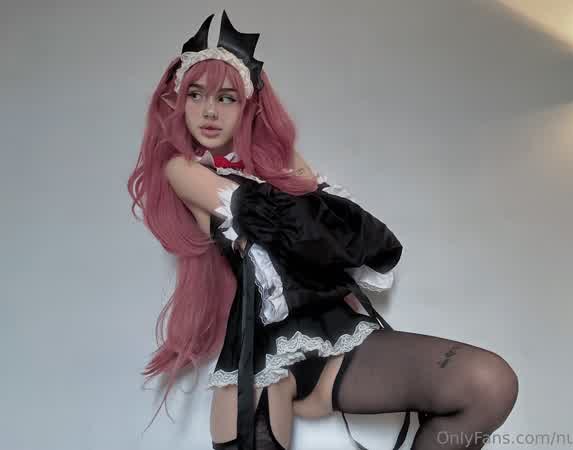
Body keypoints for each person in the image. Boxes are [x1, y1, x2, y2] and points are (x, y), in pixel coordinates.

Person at [127, 10, 519, 450]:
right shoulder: (184, 169)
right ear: (179, 103)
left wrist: (282, 165)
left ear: (250, 106)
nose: (209, 111)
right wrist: (306, 204)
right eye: (196, 95)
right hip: (263, 357)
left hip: (337, 336)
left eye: (228, 98)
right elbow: (311, 230)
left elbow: (339, 232)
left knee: (489, 383)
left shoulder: (273, 163)